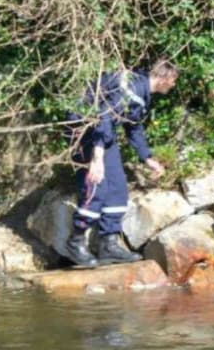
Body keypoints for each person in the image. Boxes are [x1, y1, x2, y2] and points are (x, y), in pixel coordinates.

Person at [63, 60, 179, 267]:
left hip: (102, 134)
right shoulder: (130, 88)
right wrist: (97, 158)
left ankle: (109, 245)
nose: (174, 85)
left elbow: (133, 127)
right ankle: (76, 241)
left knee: (117, 188)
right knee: (97, 184)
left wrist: (147, 158)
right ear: (163, 78)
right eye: (173, 80)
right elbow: (103, 117)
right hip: (84, 130)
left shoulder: (141, 93)